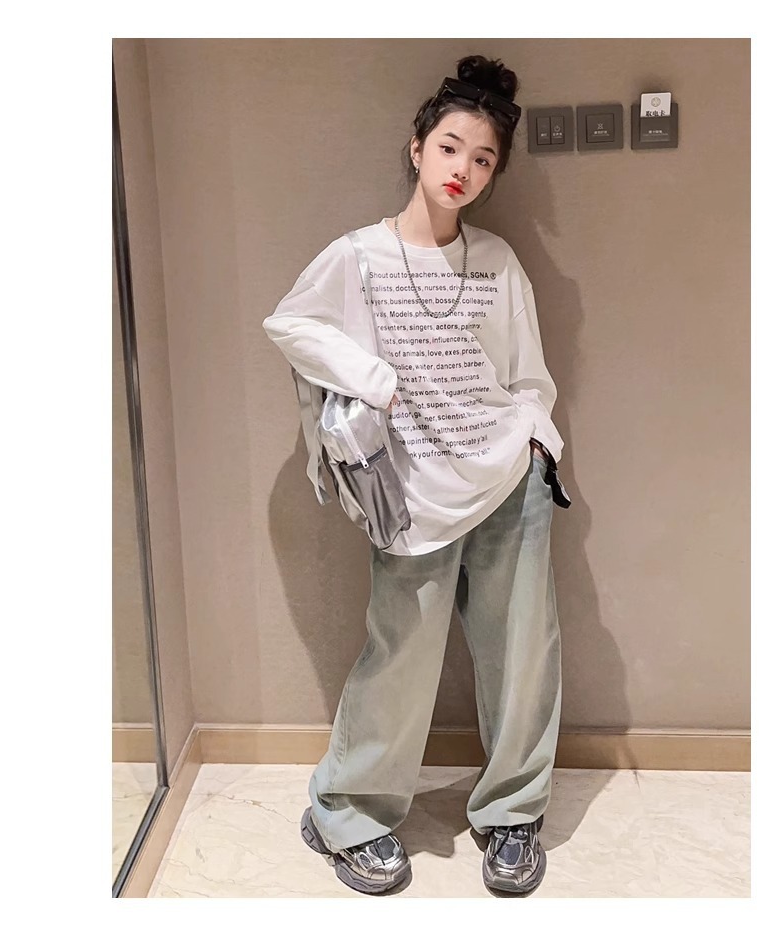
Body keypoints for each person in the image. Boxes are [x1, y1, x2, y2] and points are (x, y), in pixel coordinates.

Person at [262, 54, 565, 897]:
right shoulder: (358, 256)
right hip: (410, 488)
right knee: (400, 656)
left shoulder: (498, 261)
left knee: (521, 654)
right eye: (451, 147)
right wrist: (370, 376)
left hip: (508, 480)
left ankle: (512, 811)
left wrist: (537, 441)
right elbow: (291, 324)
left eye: (484, 159)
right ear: (418, 146)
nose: (463, 169)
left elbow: (528, 375)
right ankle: (348, 810)